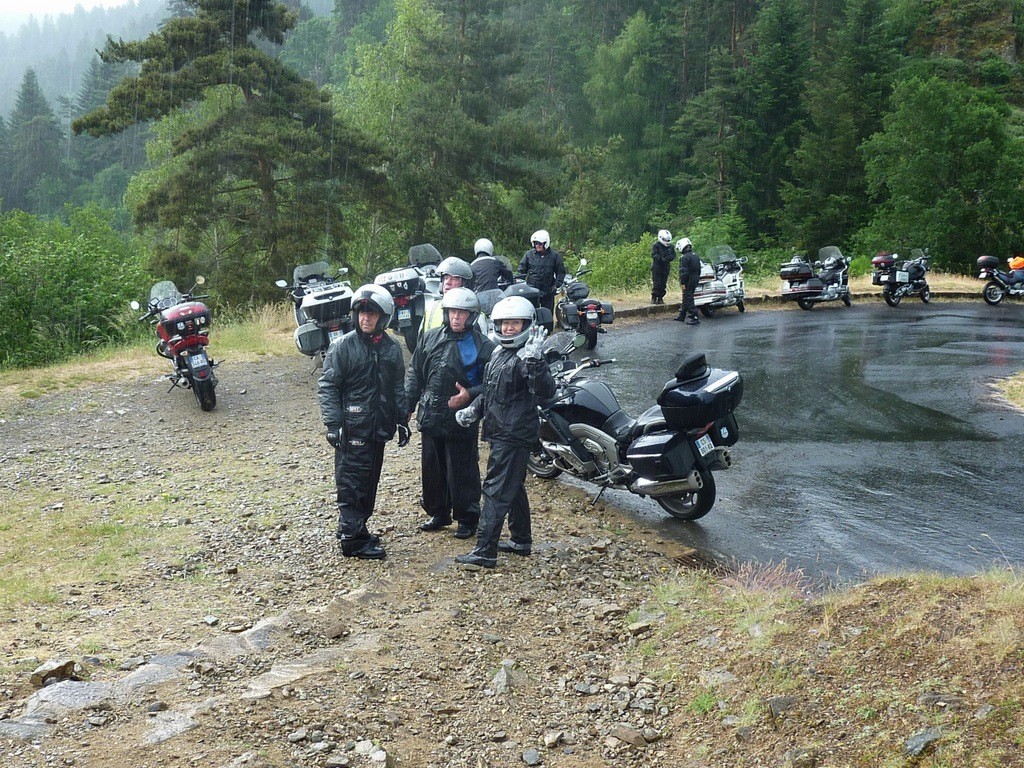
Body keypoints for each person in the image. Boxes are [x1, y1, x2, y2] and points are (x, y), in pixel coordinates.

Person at [453, 296, 557, 568]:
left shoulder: (528, 356)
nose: (509, 328)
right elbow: (490, 392)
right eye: (504, 323)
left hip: (514, 434)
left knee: (496, 489)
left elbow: (546, 391)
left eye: (515, 323)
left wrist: (536, 362)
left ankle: (485, 550)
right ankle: (521, 538)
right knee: (514, 485)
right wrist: (474, 410)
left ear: (526, 324)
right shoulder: (499, 353)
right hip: (500, 430)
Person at [318, 284, 411, 560]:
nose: (365, 319)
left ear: (384, 317)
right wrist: (333, 425)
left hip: (379, 429)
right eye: (361, 313)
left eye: (371, 314)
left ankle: (355, 527)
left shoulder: (392, 349)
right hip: (352, 429)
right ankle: (352, 540)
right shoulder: (342, 348)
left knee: (369, 480)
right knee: (351, 482)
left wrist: (402, 420)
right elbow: (328, 386)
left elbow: (397, 388)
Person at [406, 287, 495, 540]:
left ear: (472, 316)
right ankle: (439, 512)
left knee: (462, 468)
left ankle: (467, 517)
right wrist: (408, 405)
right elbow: (415, 372)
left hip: (462, 418)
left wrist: (470, 394)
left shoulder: (483, 345)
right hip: (431, 413)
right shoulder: (429, 338)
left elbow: (491, 383)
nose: (456, 317)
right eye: (453, 312)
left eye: (462, 313)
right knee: (432, 467)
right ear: (446, 313)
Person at [516, 229, 566, 331]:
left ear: (546, 243)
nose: (537, 246)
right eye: (535, 243)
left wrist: (556, 285)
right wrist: (520, 285)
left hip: (548, 290)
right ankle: (531, 332)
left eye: (539, 243)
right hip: (532, 290)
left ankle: (547, 333)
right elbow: (521, 271)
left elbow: (561, 272)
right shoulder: (529, 255)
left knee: (547, 314)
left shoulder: (555, 256)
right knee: (530, 313)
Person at [421, 256, 479, 332]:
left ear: (465, 285)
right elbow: (421, 340)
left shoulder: (474, 314)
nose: (447, 282)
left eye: (454, 278)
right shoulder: (431, 308)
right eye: (445, 278)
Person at [470, 237, 514, 316]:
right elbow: (508, 274)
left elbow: (470, 284)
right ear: (490, 249)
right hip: (495, 298)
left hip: (479, 300)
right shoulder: (495, 261)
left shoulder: (472, 265)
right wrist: (511, 282)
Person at [674, 237, 701, 325]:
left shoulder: (684, 258)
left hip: (688, 280)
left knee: (688, 298)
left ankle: (694, 316)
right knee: (686, 297)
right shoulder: (695, 256)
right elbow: (699, 269)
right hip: (695, 279)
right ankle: (682, 315)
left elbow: (683, 272)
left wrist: (682, 282)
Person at [651, 229, 675, 304]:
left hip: (666, 266)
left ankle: (660, 297)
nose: (667, 242)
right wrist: (661, 259)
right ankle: (654, 297)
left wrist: (666, 259)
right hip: (657, 266)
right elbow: (654, 255)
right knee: (657, 283)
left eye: (668, 240)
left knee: (663, 283)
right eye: (665, 240)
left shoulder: (671, 246)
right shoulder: (656, 245)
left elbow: (673, 255)